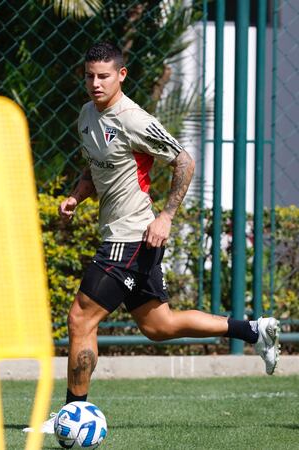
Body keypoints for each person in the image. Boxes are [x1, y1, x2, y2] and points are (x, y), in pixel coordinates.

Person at [23, 42, 280, 434]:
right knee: (159, 326)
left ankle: (73, 412)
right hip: (118, 235)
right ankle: (253, 330)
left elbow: (183, 161)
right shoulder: (86, 115)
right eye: (90, 75)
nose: (95, 83)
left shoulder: (134, 119)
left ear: (121, 76)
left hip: (131, 237)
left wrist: (166, 216)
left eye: (104, 76)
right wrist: (76, 195)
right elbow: (95, 169)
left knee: (80, 319)